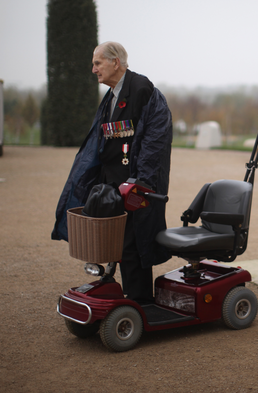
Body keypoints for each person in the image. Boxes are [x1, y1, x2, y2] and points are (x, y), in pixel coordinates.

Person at [51, 41, 172, 303]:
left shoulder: (141, 89)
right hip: (111, 186)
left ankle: (140, 303)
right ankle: (122, 296)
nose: (93, 69)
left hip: (132, 187)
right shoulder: (112, 94)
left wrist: (139, 184)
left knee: (133, 244)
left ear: (115, 62)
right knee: (112, 243)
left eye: (97, 63)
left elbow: (153, 145)